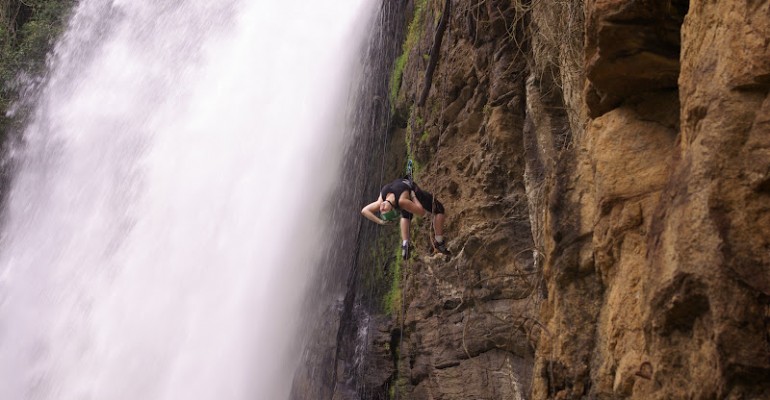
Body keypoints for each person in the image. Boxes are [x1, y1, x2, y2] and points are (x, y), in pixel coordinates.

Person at [361, 177, 449, 259]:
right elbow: (421, 212)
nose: (381, 208)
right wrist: (413, 196)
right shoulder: (402, 202)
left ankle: (405, 243)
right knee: (439, 211)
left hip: (404, 190)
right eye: (385, 210)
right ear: (392, 209)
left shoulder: (381, 200)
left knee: (405, 214)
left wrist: (381, 222)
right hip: (414, 195)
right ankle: (439, 242)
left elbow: (365, 211)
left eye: (381, 210)